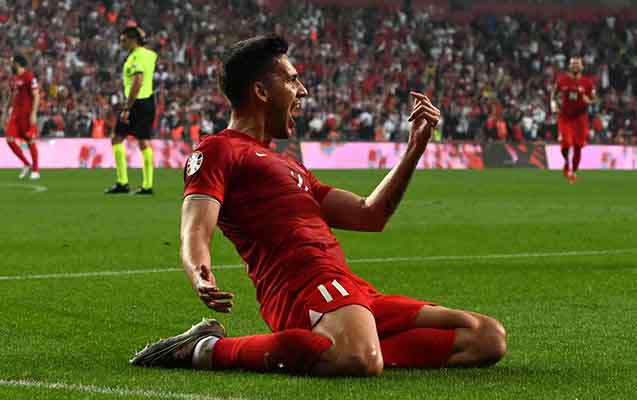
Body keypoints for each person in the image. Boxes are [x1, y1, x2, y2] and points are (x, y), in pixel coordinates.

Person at [131, 35, 507, 376]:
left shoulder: (291, 166)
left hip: (348, 288)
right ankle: (207, 349)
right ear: (261, 91)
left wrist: (414, 150)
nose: (303, 90)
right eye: (292, 80)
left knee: (486, 337)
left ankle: (337, 346)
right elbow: (196, 228)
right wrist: (199, 273)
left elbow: (369, 215)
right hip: (300, 286)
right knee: (358, 358)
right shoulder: (219, 150)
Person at [105, 27, 157, 195]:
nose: (121, 43)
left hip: (136, 102)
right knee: (141, 140)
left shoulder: (136, 57)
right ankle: (146, 185)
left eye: (124, 40)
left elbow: (137, 81)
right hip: (148, 101)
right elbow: (148, 46)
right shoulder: (149, 54)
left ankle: (124, 183)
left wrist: (127, 107)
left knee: (118, 138)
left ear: (133, 40)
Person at [551, 56, 596, 184]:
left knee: (578, 146)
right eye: (573, 64)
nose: (575, 66)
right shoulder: (562, 80)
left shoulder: (588, 82)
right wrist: (553, 105)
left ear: (582, 66)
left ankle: (574, 172)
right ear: (569, 66)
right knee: (566, 143)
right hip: (565, 116)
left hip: (580, 118)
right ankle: (566, 163)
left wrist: (589, 101)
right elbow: (553, 94)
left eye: (577, 64)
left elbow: (594, 99)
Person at [4, 54, 40, 180]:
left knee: (30, 141)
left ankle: (35, 169)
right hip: (15, 113)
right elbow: (12, 95)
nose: (10, 64)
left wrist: (34, 113)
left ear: (17, 63)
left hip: (26, 113)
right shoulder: (14, 78)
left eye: (12, 62)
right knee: (9, 139)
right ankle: (26, 163)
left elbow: (36, 95)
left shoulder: (29, 76)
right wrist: (6, 110)